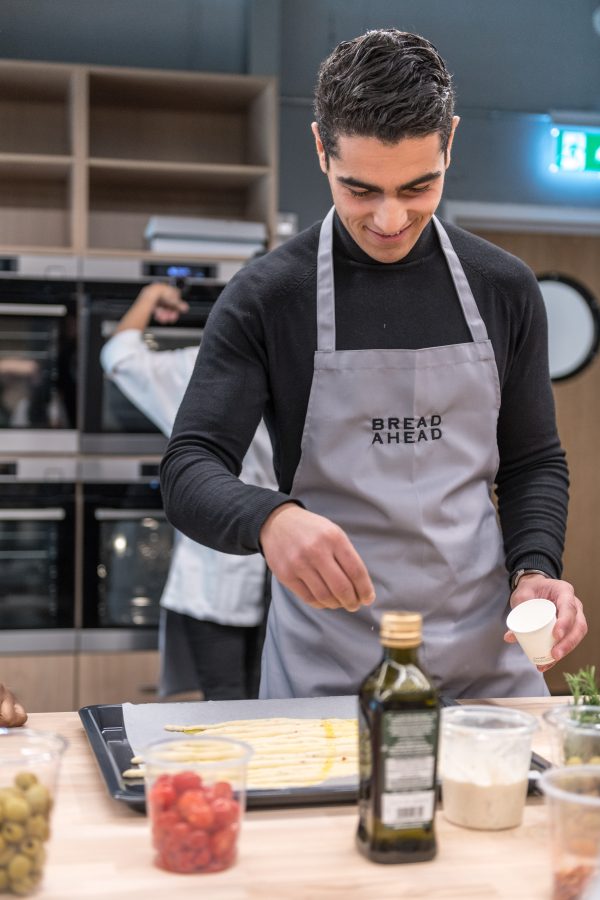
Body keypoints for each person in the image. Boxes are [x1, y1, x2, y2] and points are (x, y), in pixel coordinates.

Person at [160, 29, 587, 700]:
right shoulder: (269, 297)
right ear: (320, 148)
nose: (391, 219)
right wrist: (270, 519)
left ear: (449, 139)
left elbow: (533, 460)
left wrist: (535, 567)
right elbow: (188, 467)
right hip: (330, 670)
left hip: (485, 670)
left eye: (420, 186)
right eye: (360, 191)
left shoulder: (504, 288)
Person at [100, 282, 277, 700]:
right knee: (281, 701)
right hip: (298, 560)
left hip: (218, 567)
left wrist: (149, 296)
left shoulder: (197, 366)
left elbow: (119, 356)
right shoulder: (309, 363)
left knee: (226, 703)